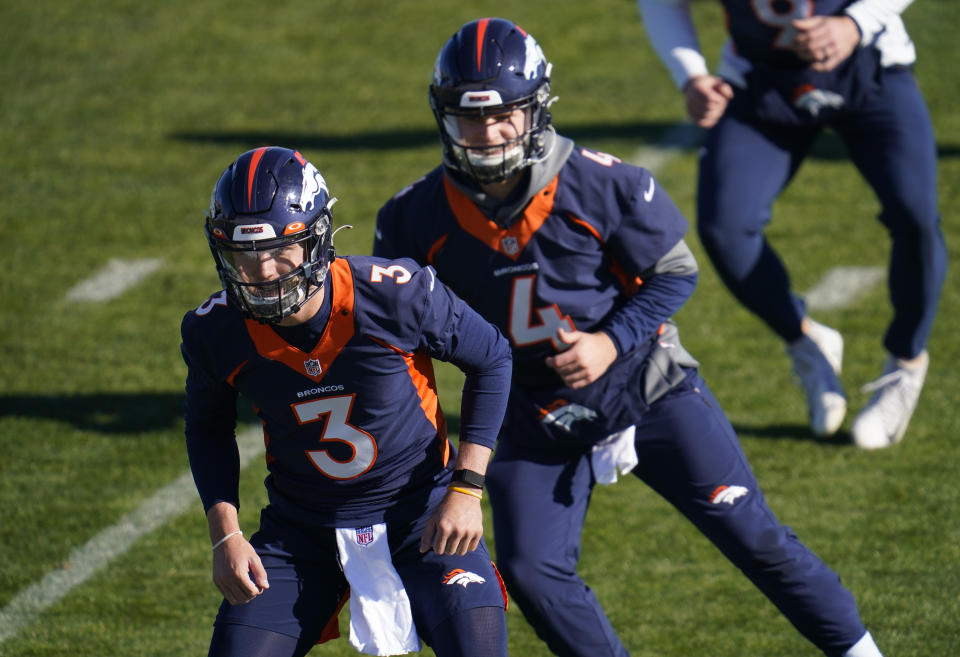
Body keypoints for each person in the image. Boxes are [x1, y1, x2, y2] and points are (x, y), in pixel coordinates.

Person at [374, 17, 887, 657]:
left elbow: (675, 272)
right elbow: (394, 336)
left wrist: (610, 342)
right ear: (443, 117)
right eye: (469, 117)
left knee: (752, 534)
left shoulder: (600, 180)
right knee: (532, 572)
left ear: (537, 109)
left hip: (645, 383)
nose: (488, 132)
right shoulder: (410, 217)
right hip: (530, 408)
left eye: (506, 114)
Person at [180, 146, 513, 657]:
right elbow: (207, 425)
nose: (262, 270)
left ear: (317, 240)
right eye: (243, 254)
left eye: (279, 250)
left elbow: (491, 357)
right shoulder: (216, 329)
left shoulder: (396, 295)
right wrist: (225, 534)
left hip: (419, 516)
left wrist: (466, 488)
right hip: (302, 532)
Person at [637, 0, 947, 448]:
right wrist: (691, 74)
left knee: (915, 213)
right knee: (725, 226)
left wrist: (855, 22)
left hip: (869, 63)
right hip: (761, 76)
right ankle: (804, 339)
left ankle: (906, 361)